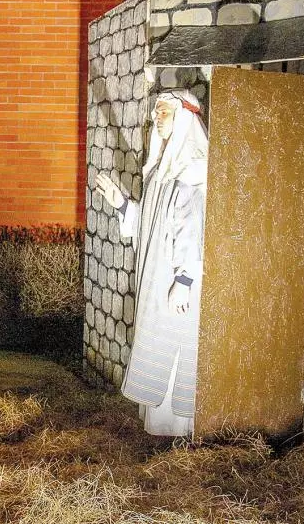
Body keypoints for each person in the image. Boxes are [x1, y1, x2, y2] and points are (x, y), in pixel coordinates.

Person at [95, 89, 208, 436]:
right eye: (156, 112)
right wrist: (122, 204)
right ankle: (161, 431)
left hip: (178, 282)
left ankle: (181, 432)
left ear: (184, 118)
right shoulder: (161, 171)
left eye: (164, 112)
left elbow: (192, 229)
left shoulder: (192, 171)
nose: (156, 118)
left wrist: (184, 280)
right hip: (157, 277)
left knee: (174, 345)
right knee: (156, 339)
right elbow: (150, 224)